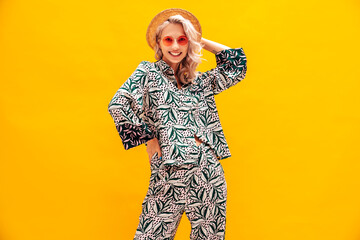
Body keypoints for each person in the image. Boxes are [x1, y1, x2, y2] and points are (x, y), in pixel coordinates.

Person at [108, 8, 247, 240]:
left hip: (207, 169)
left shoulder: (197, 81)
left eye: (182, 40)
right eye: (169, 39)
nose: (175, 46)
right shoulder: (148, 73)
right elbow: (118, 105)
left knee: (209, 237)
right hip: (168, 169)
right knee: (151, 235)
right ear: (158, 43)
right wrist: (149, 139)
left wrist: (197, 38)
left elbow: (236, 66)